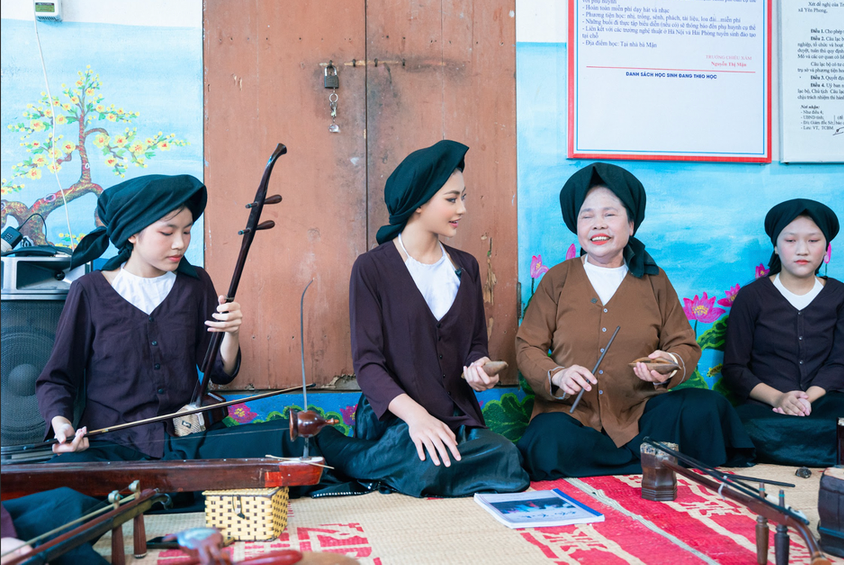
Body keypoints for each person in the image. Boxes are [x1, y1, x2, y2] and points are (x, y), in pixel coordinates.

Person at [35, 174, 303, 463]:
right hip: (114, 446)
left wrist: (231, 333)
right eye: (168, 232)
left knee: (292, 439)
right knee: (67, 481)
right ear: (132, 233)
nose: (180, 244)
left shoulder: (196, 283)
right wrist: (62, 425)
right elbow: (57, 378)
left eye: (186, 232)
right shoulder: (89, 290)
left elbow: (219, 372)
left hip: (188, 439)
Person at [316, 140, 530, 497]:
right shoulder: (372, 269)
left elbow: (474, 345)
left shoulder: (468, 267)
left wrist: (478, 368)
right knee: (425, 463)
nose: (462, 208)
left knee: (508, 460)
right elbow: (368, 365)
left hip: (454, 418)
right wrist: (416, 417)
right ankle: (348, 451)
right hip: (395, 421)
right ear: (418, 203)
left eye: (463, 197)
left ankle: (372, 466)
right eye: (451, 199)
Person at [516, 162, 755, 480]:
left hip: (640, 416)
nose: (597, 225)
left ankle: (614, 462)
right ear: (576, 226)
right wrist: (557, 375)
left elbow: (683, 343)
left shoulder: (654, 280)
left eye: (610, 215)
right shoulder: (557, 279)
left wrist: (668, 363)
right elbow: (527, 345)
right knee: (546, 436)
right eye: (587, 216)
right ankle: (646, 460)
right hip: (574, 417)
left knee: (705, 407)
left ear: (631, 224)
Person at [722, 198, 844, 466]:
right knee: (742, 429)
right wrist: (780, 399)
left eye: (813, 241)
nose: (802, 250)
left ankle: (791, 451)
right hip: (767, 407)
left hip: (825, 402)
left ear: (826, 247)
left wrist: (807, 399)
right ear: (775, 245)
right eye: (791, 240)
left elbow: (841, 362)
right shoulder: (751, 297)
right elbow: (735, 368)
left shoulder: (842, 296)